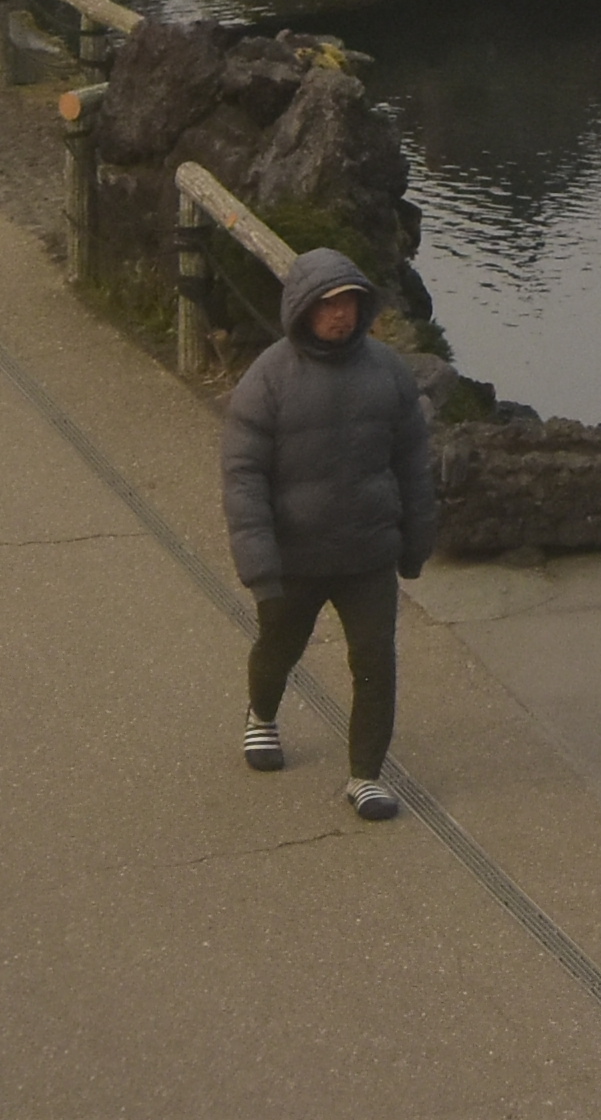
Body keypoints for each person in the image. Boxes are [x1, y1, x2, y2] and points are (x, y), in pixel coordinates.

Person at [221, 243, 439, 821]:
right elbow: (243, 477)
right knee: (279, 647)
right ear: (303, 307)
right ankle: (261, 716)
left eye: (349, 302)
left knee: (375, 661)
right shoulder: (267, 379)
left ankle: (365, 774)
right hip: (296, 556)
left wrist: (416, 541)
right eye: (327, 304)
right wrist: (260, 563)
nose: (339, 314)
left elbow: (414, 464)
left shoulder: (389, 372)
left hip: (367, 552)